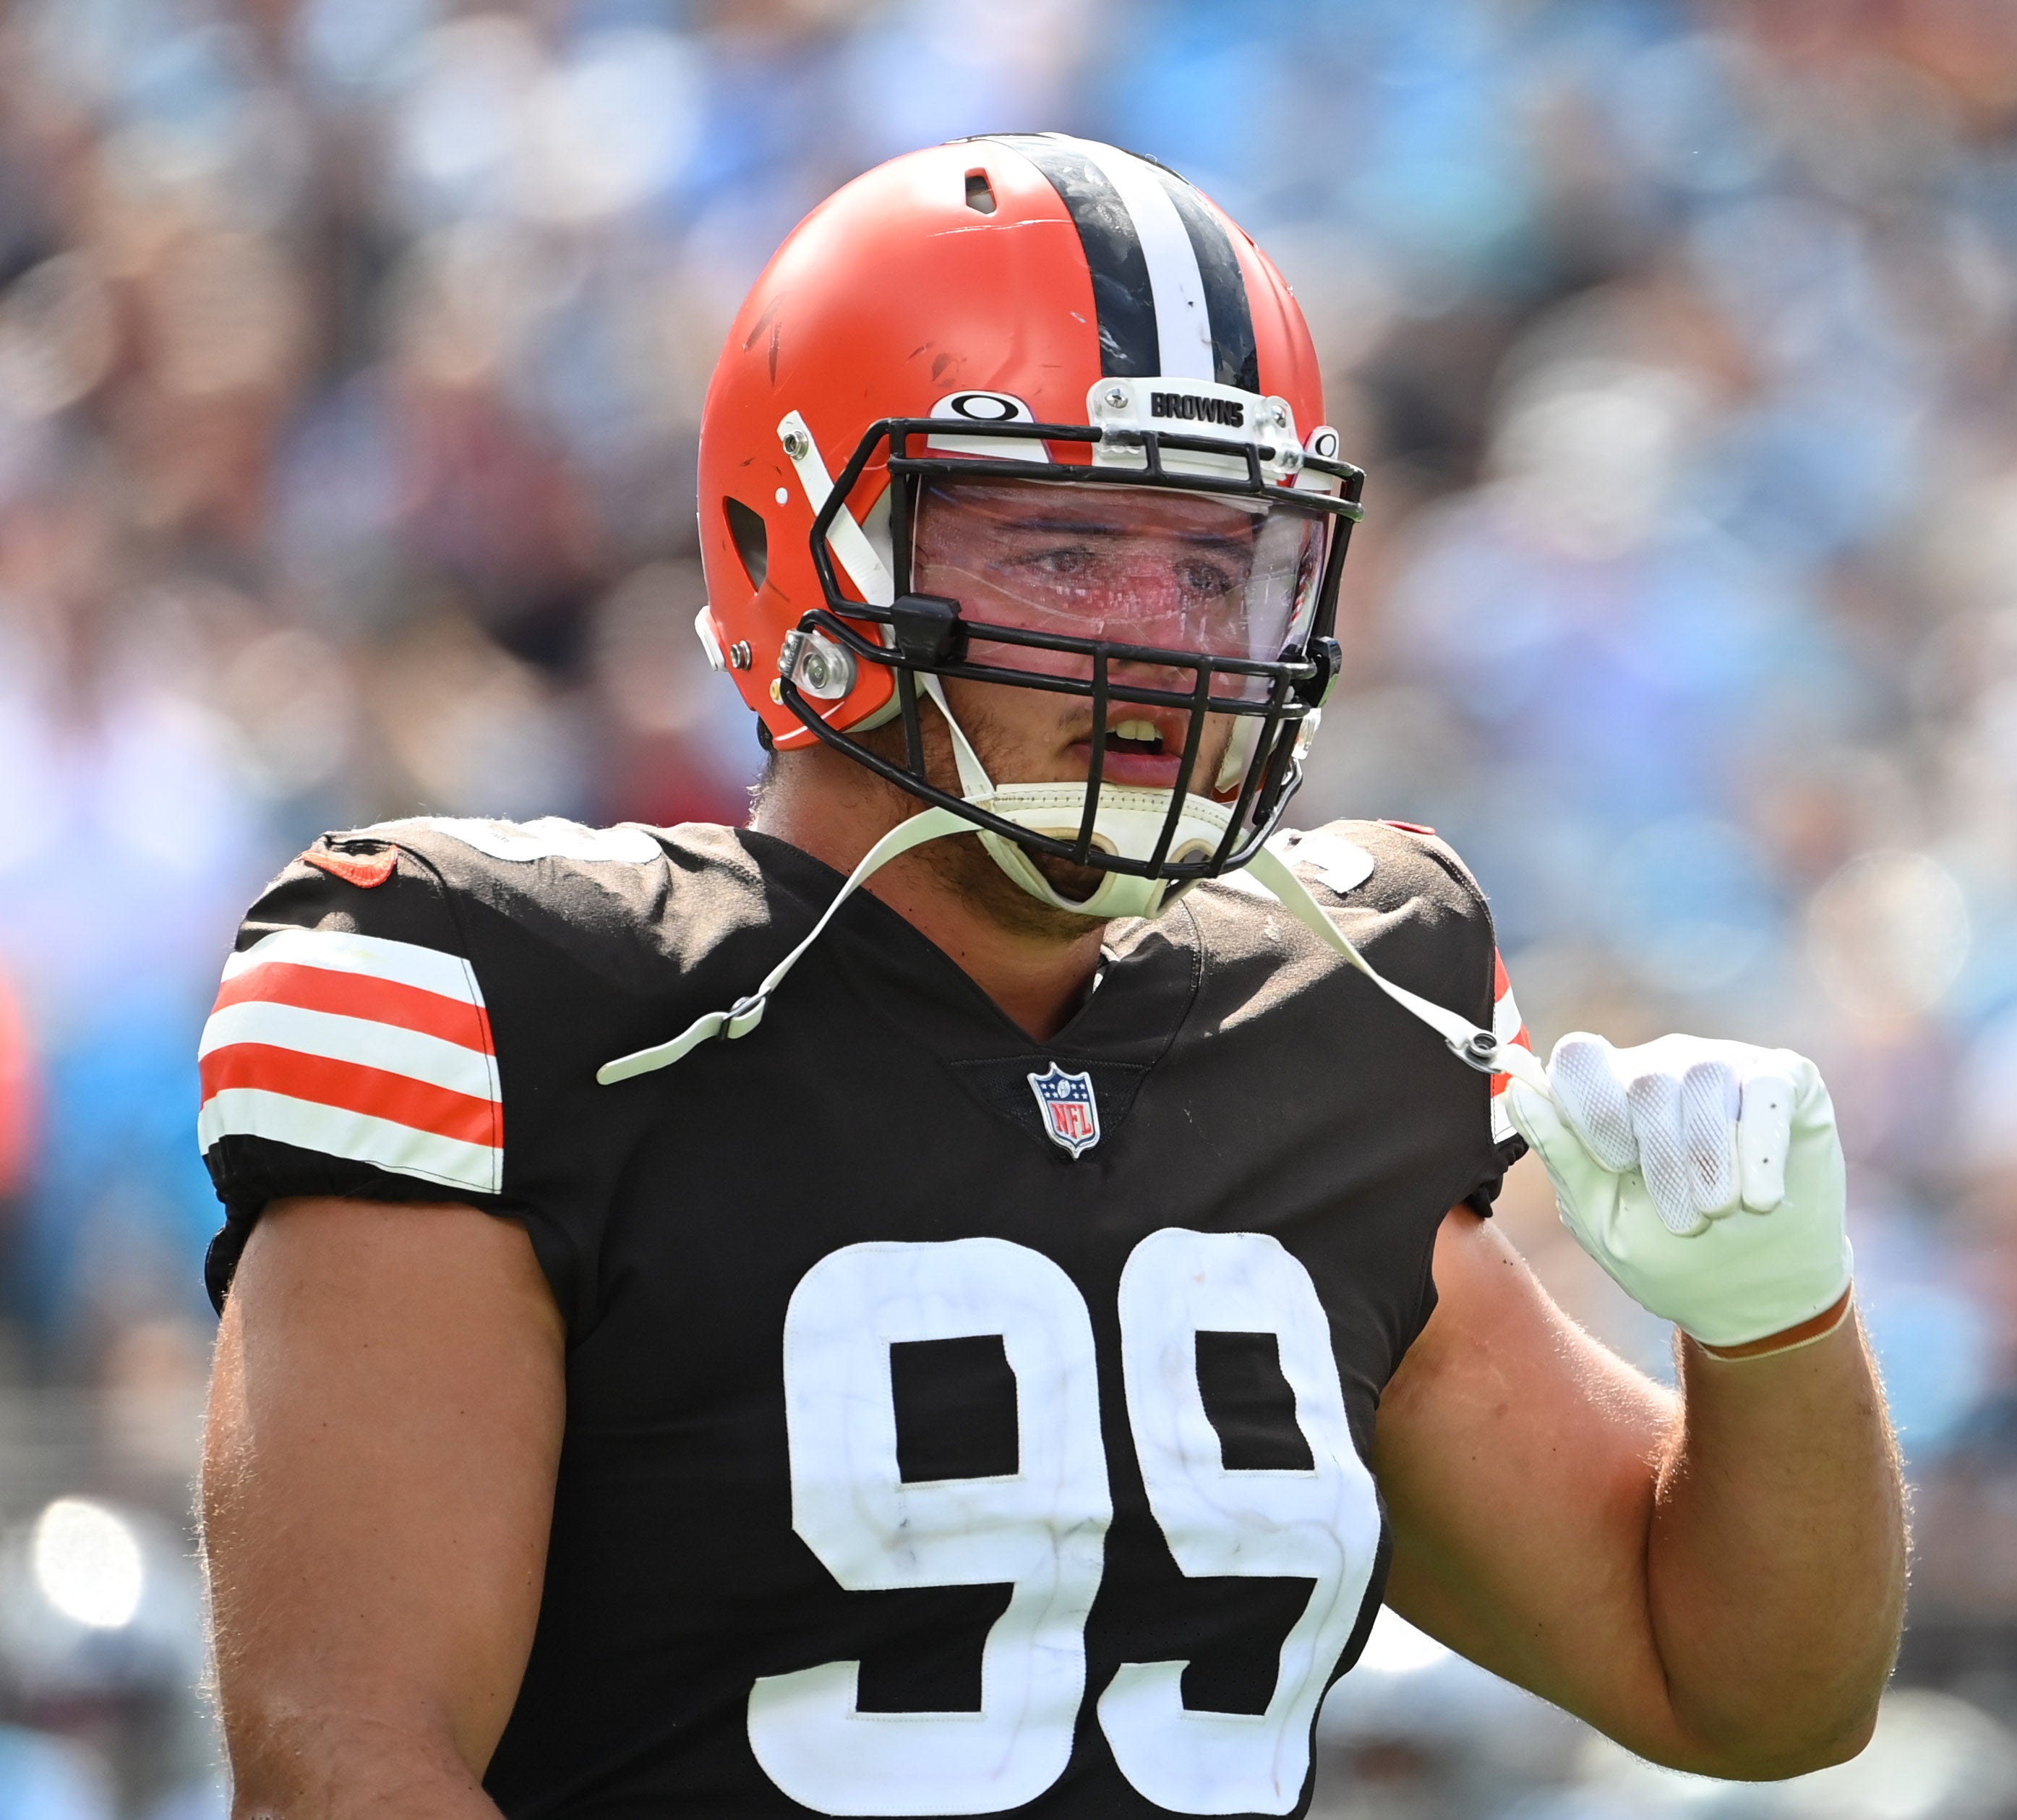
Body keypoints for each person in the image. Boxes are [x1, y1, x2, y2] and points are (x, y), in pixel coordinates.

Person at [193, 134, 1906, 1819]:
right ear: (809, 545)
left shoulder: (1339, 1016)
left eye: (1218, 569)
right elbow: (346, 1761)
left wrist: (1773, 1328)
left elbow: (1743, 1688)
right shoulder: (507, 993)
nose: (1163, 643)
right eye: (1068, 549)